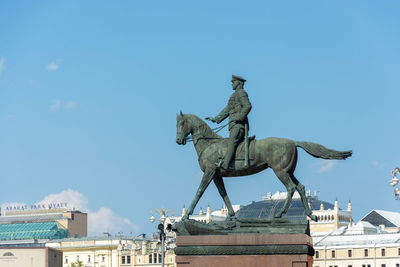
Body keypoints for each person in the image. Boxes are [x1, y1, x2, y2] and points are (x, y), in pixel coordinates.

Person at [206, 75, 252, 170]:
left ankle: (225, 164)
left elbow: (247, 106)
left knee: (232, 142)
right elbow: (227, 109)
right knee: (230, 142)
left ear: (238, 83)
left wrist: (239, 117)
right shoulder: (235, 95)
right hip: (234, 124)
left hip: (239, 125)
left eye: (233, 82)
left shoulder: (241, 93)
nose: (232, 83)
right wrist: (216, 118)